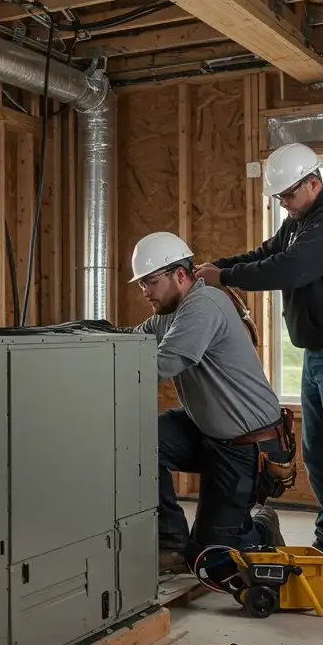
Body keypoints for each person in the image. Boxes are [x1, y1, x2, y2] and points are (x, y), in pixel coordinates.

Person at [193, 142, 323, 598]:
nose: (283, 203)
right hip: (322, 354)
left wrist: (227, 278)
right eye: (278, 197)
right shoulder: (301, 220)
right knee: (319, 458)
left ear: (313, 184)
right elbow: (265, 251)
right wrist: (219, 267)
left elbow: (292, 269)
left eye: (287, 195)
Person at [128, 231, 294, 575]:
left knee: (213, 561)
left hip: (251, 445)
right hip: (209, 432)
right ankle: (171, 542)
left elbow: (163, 364)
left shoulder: (204, 305)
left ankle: (262, 526)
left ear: (180, 275)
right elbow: (131, 342)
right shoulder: (167, 313)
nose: (145, 292)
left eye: (150, 282)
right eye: (141, 284)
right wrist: (84, 337)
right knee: (138, 438)